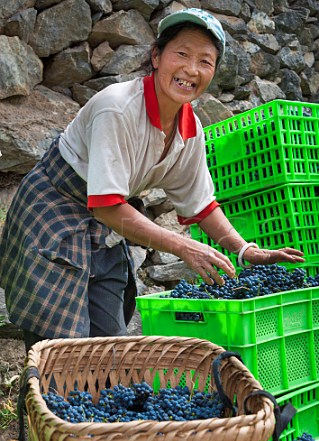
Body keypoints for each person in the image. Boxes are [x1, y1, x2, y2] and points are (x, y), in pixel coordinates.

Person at [0, 8, 304, 353]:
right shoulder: (117, 108)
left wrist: (244, 248)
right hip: (53, 214)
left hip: (102, 225)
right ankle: (39, 405)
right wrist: (182, 246)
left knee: (109, 345)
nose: (191, 70)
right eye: (182, 54)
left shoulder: (191, 131)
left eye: (205, 61)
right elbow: (107, 206)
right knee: (59, 347)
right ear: (156, 56)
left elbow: (201, 204)